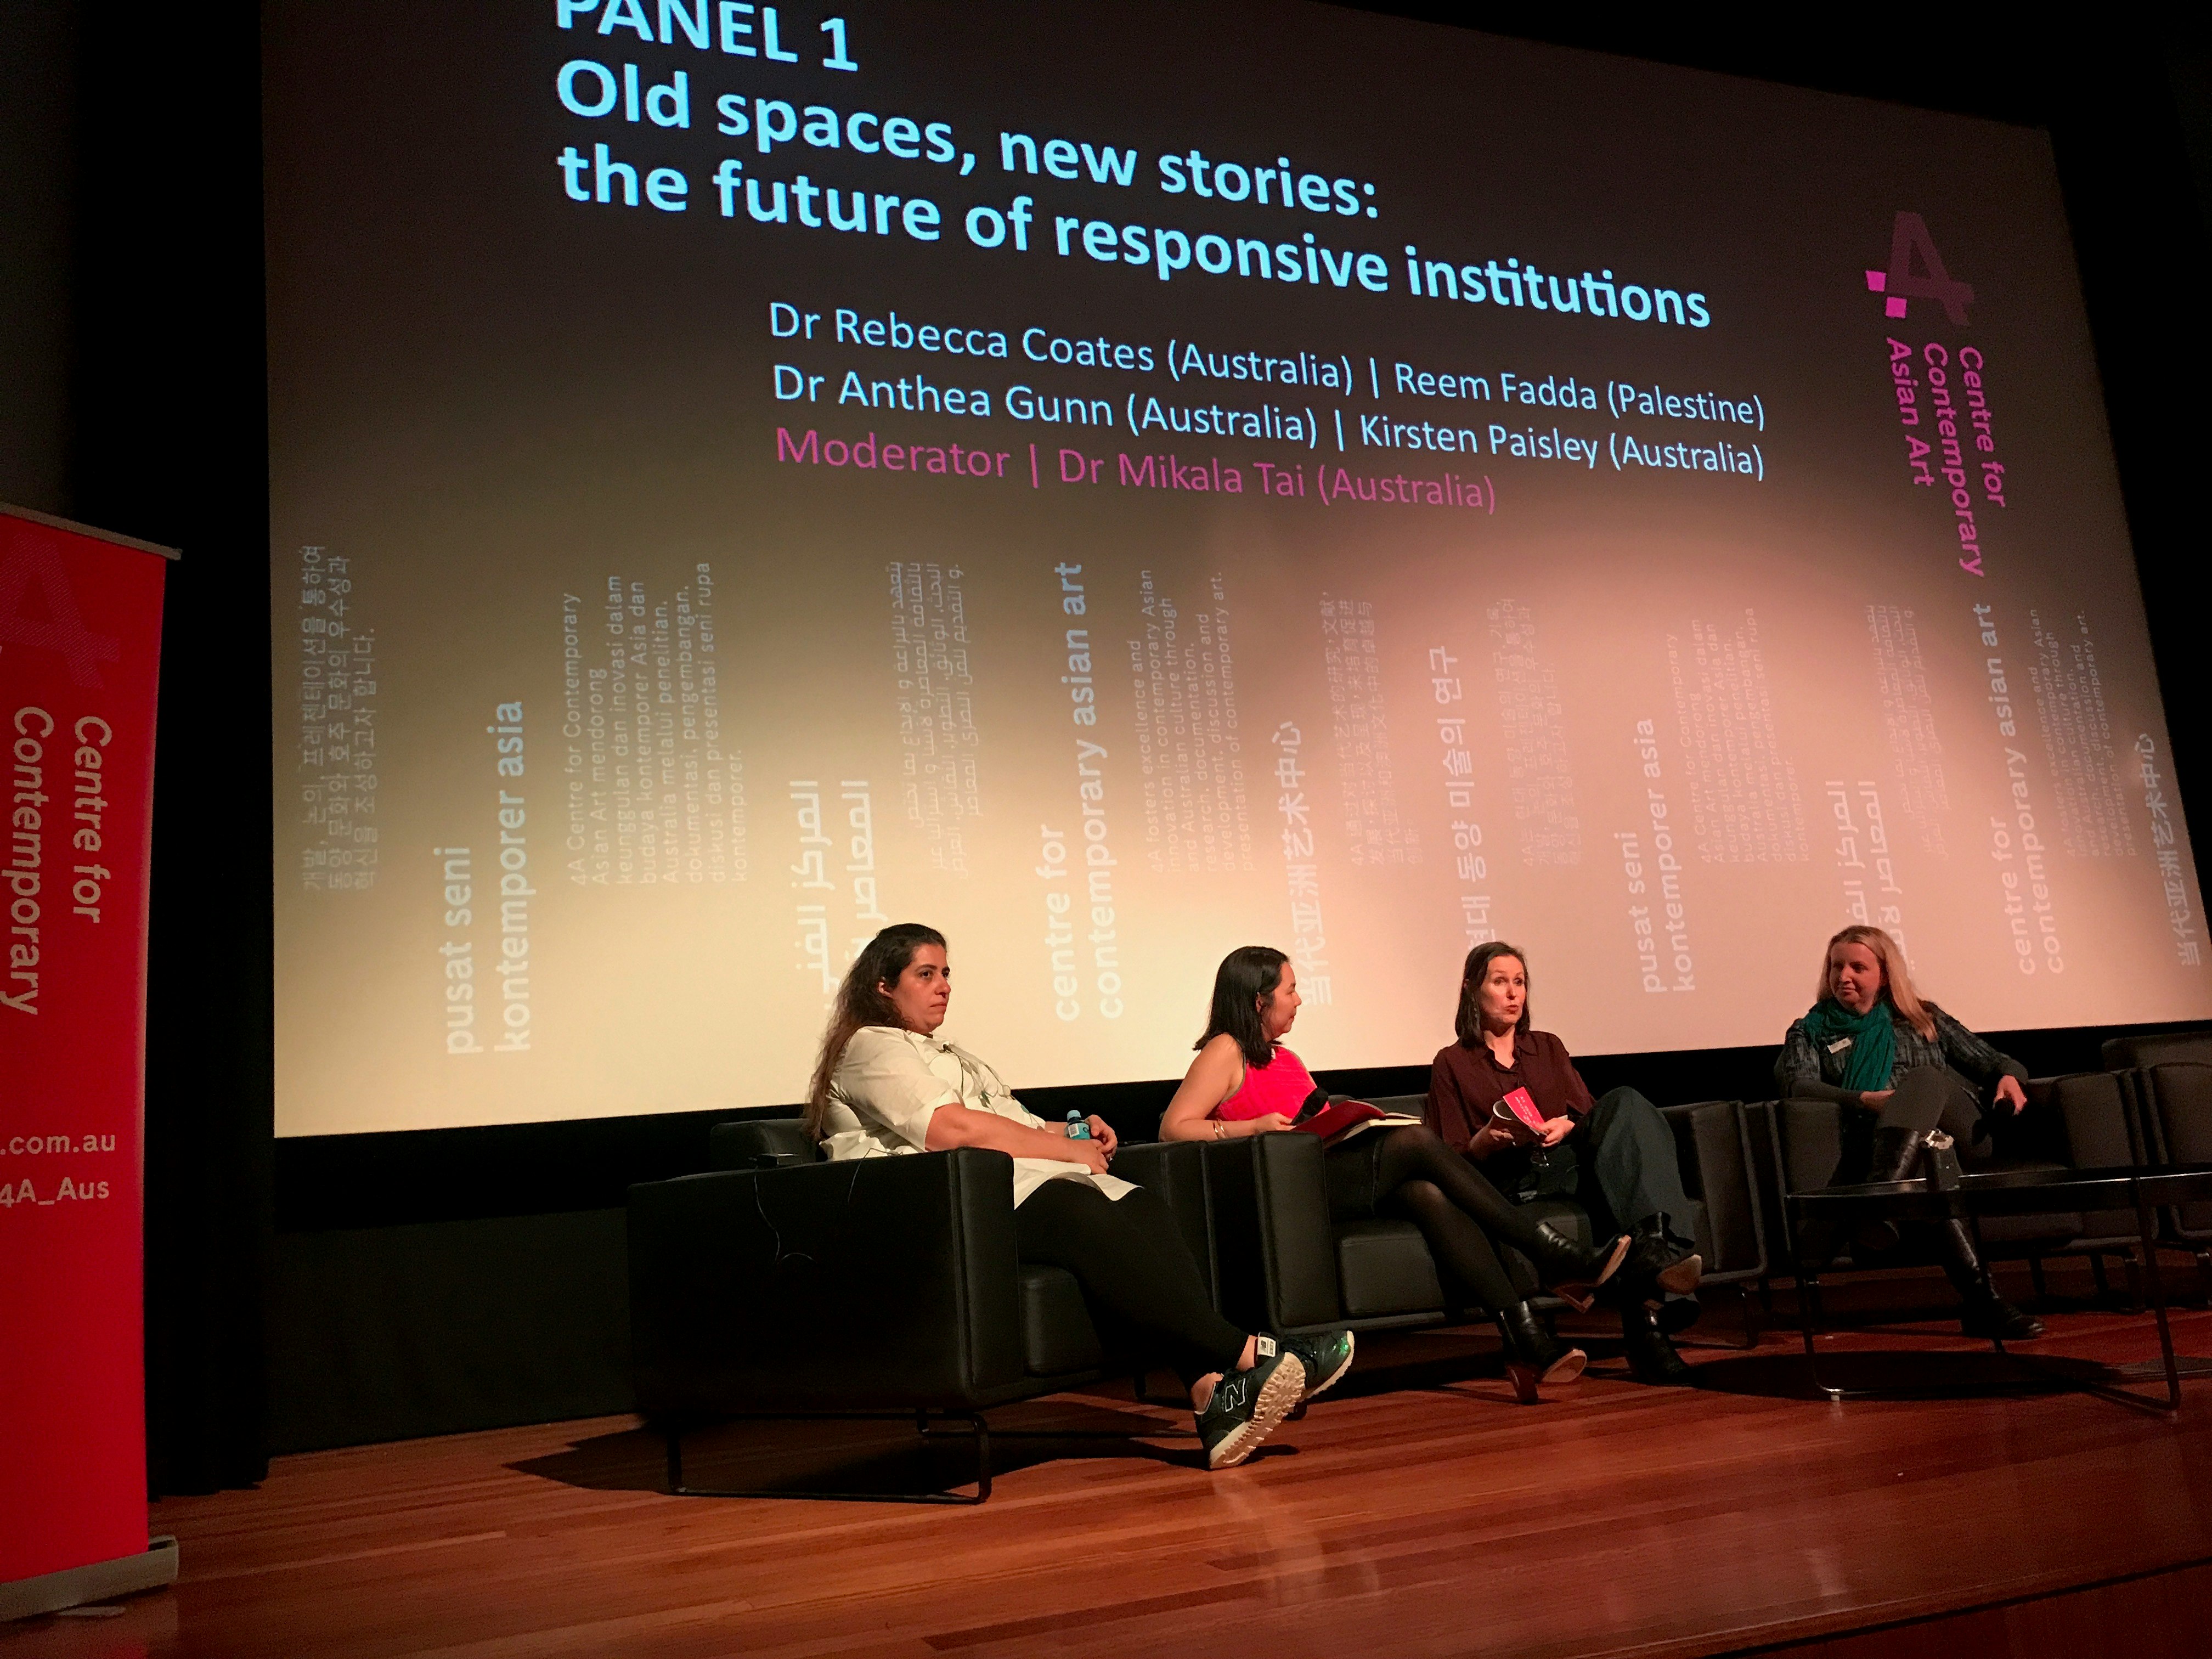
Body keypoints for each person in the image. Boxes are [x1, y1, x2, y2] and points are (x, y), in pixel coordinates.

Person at [807, 923, 1306, 1470]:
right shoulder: (870, 1046)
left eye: (945, 973)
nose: (943, 986)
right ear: (883, 987)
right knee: (1078, 1208)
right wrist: (1065, 1155)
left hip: (1000, 1188)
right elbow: (950, 1130)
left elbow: (1008, 1122)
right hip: (940, 1209)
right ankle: (1251, 1353)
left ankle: (1212, 1396)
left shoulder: (954, 1054)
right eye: (925, 975)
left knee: (1141, 1203)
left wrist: (1073, 1133)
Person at [1161, 945, 1631, 1403]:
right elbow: (1173, 1127)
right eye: (1291, 989)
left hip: (1322, 1170)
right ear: (1259, 999)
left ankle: (1522, 1333)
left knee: (1426, 1193)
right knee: (1417, 1140)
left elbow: (1316, 1119)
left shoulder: (1284, 1057)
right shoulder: (1226, 1049)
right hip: (1290, 1196)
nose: (1299, 999)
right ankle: (1547, 1250)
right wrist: (1252, 1127)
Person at [1426, 942, 1706, 1386]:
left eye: (1519, 983)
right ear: (1471, 990)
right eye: (1500, 982)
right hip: (1513, 1179)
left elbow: (1593, 1118)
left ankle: (1655, 1247)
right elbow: (1448, 1156)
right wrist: (1484, 1141)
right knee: (1613, 1173)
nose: (1513, 994)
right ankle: (1649, 1327)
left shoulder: (1547, 1047)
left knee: (1627, 1102)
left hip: (1567, 1164)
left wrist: (1568, 1125)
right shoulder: (1452, 1063)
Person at [1775, 924, 2044, 1341]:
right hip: (1901, 1147)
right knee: (1927, 1170)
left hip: (1962, 1135)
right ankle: (1984, 1303)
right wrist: (1864, 1099)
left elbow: (1996, 1060)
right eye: (1836, 967)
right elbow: (1798, 1085)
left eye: (1857, 967)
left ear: (1884, 974)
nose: (1843, 976)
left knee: (1924, 1080)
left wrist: (2010, 1077)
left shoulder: (1922, 1017)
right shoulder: (1811, 1030)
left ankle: (1879, 1196)